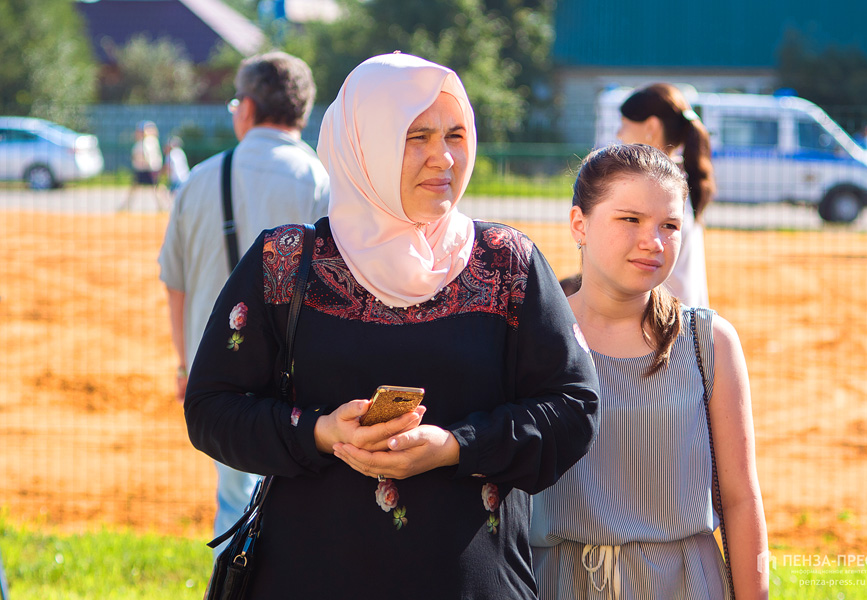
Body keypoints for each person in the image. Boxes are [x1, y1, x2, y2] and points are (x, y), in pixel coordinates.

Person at [183, 52, 601, 599]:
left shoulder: (508, 264)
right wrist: (320, 433)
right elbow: (212, 407)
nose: (443, 157)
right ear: (364, 144)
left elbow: (573, 406)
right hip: (310, 577)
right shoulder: (284, 263)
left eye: (455, 134)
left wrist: (455, 446)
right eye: (415, 137)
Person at [530, 144, 768, 599]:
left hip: (686, 586)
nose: (653, 241)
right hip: (555, 585)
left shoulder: (708, 342)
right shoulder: (531, 339)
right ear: (579, 223)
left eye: (670, 225)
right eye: (631, 219)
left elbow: (741, 500)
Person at [158, 50, 330, 556]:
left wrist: (186, 362)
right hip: (302, 379)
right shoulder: (320, 180)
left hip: (222, 376)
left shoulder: (197, 181)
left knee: (234, 503)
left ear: (248, 108)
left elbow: (176, 282)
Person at [616, 83, 716, 308]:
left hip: (665, 324)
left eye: (624, 124)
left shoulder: (658, 187)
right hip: (679, 320)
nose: (619, 134)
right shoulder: (677, 180)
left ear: (651, 126)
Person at [120, 120, 167, 211]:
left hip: (149, 169)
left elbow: (147, 157)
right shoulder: (144, 142)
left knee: (156, 188)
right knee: (136, 187)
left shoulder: (149, 141)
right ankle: (127, 206)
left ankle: (162, 206)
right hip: (143, 169)